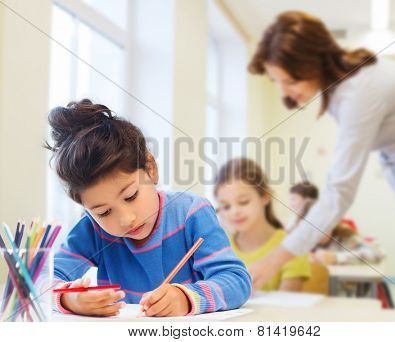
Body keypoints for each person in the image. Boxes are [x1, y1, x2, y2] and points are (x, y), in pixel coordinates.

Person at [248, 11, 395, 310]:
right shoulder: (344, 89)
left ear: (314, 62)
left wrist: (273, 261)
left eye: (289, 80)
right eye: (277, 81)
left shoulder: (360, 91)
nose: (283, 92)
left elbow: (339, 192)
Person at [44, 99, 251, 317]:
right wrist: (69, 297)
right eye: (103, 212)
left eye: (131, 196)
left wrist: (186, 297)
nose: (126, 219)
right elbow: (40, 279)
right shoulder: (92, 230)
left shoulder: (191, 213)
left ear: (151, 169)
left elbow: (236, 280)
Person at [214, 157, 310, 292]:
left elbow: (287, 309)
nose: (234, 212)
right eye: (226, 206)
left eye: (243, 202)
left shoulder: (291, 247)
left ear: (265, 197)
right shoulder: (219, 248)